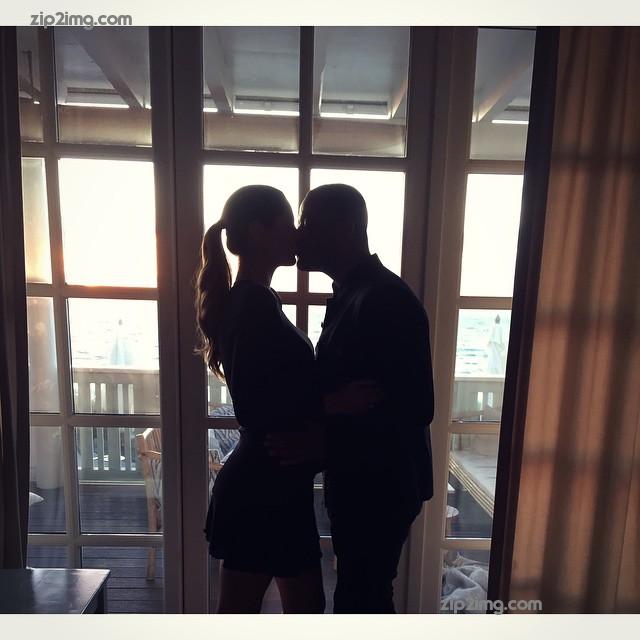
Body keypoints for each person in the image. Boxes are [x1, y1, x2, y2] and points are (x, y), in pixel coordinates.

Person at [194, 185, 381, 614]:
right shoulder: (252, 305)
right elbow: (256, 407)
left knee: (272, 611)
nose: (298, 234)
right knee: (277, 613)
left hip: (273, 483)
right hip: (264, 486)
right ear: (259, 232)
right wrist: (333, 404)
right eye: (289, 224)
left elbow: (271, 392)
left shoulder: (255, 299)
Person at [266, 184, 435, 613]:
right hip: (365, 480)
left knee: (362, 597)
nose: (298, 234)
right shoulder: (360, 293)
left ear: (345, 229)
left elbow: (417, 406)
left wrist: (327, 441)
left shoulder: (384, 299)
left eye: (307, 222)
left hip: (379, 486)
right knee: (363, 594)